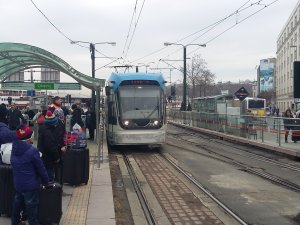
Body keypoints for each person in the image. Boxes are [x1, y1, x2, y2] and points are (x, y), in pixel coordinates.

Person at [11, 124, 49, 225]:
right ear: (27, 138)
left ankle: (14, 222)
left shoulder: (13, 148)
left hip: (18, 184)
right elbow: (41, 169)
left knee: (17, 204)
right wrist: (46, 181)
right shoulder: (32, 151)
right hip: (30, 186)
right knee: (32, 208)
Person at [37, 110, 61, 181]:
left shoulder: (43, 129)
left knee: (43, 172)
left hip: (42, 154)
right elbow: (51, 146)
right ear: (52, 123)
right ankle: (49, 189)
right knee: (49, 173)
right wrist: (57, 157)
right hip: (48, 157)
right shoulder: (49, 132)